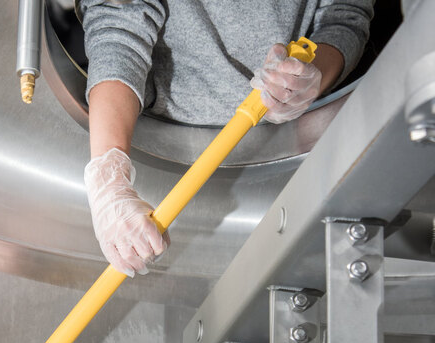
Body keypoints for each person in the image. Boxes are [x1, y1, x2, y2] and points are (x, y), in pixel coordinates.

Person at [78, 0, 374, 277]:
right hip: (154, 125)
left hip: (302, 134)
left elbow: (344, 15)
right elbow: (118, 23)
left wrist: (311, 78)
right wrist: (108, 178)